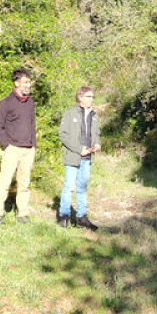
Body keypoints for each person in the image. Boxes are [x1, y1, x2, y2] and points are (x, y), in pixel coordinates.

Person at [0, 68, 36, 224]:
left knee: (24, 184)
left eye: (29, 82)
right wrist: (6, 146)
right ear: (16, 83)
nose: (28, 85)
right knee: (4, 182)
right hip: (11, 149)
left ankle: (22, 213)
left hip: (28, 149)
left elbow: (32, 125)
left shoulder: (30, 103)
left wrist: (33, 146)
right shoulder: (6, 103)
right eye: (25, 82)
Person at [57, 86, 101, 229]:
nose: (92, 99)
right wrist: (78, 149)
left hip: (87, 157)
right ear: (80, 97)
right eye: (89, 96)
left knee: (82, 188)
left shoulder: (94, 115)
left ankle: (81, 218)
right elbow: (62, 135)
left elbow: (96, 134)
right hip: (72, 157)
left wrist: (97, 144)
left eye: (92, 97)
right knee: (69, 187)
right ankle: (64, 217)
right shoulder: (70, 113)